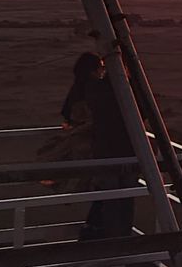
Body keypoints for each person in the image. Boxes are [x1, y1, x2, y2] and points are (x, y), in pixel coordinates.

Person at [57, 52, 137, 240]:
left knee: (110, 197)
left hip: (103, 150)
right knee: (121, 199)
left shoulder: (91, 89)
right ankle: (116, 241)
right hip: (120, 150)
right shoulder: (104, 90)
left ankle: (104, 236)